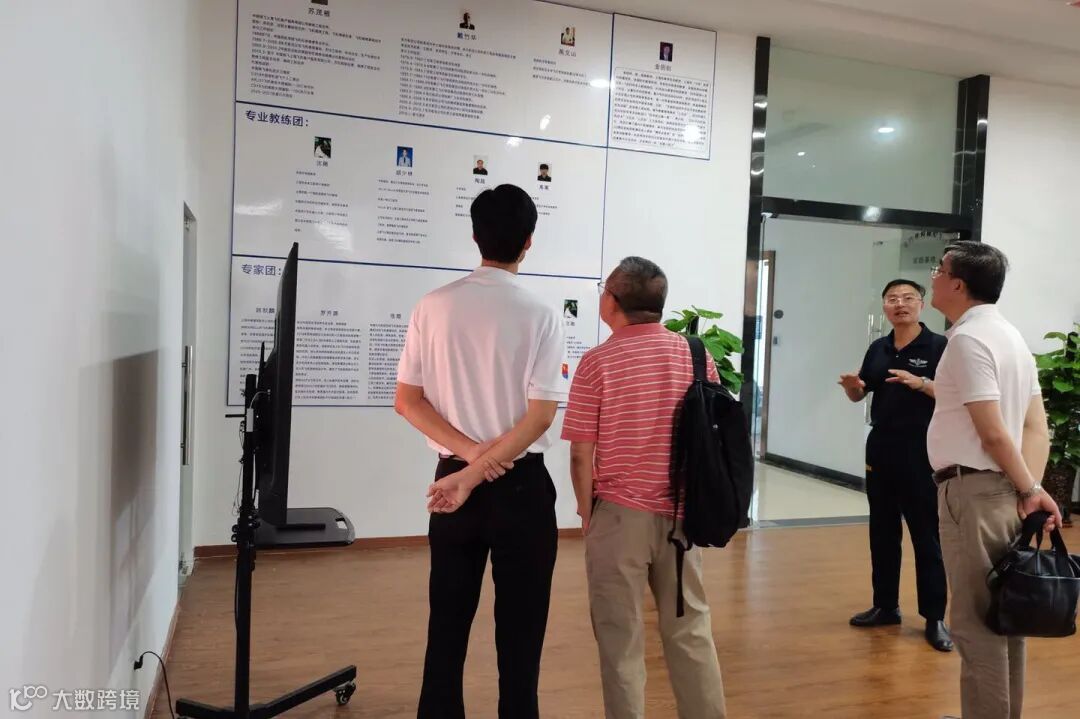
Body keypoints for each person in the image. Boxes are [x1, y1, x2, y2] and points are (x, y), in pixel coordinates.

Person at [395, 184, 566, 719]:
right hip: (522, 487)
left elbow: (407, 401)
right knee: (521, 634)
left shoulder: (432, 306)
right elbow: (540, 416)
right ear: (529, 241)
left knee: (446, 626)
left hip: (452, 482)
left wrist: (468, 463)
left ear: (475, 236)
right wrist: (481, 465)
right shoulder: (542, 313)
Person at [563, 257, 728, 719]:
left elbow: (581, 454)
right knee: (691, 631)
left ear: (612, 302)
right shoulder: (695, 354)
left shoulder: (597, 362)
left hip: (619, 517)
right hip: (683, 516)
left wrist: (587, 514)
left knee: (620, 637)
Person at [926, 241, 1058, 719]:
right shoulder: (1011, 337)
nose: (933, 277)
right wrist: (1027, 489)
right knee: (1006, 615)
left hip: (974, 491)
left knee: (975, 623)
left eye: (939, 270)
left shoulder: (968, 340)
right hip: (1002, 492)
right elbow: (1036, 427)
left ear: (958, 284)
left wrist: (1028, 490)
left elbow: (995, 431)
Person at [838, 279, 953, 652]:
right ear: (884, 306)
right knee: (882, 531)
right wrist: (853, 387)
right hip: (882, 448)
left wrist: (920, 383)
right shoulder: (879, 347)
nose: (900, 304)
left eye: (908, 298)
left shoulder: (939, 346)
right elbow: (861, 393)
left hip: (922, 450)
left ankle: (935, 618)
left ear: (922, 305)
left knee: (926, 534)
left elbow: (955, 393)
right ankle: (886, 606)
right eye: (892, 299)